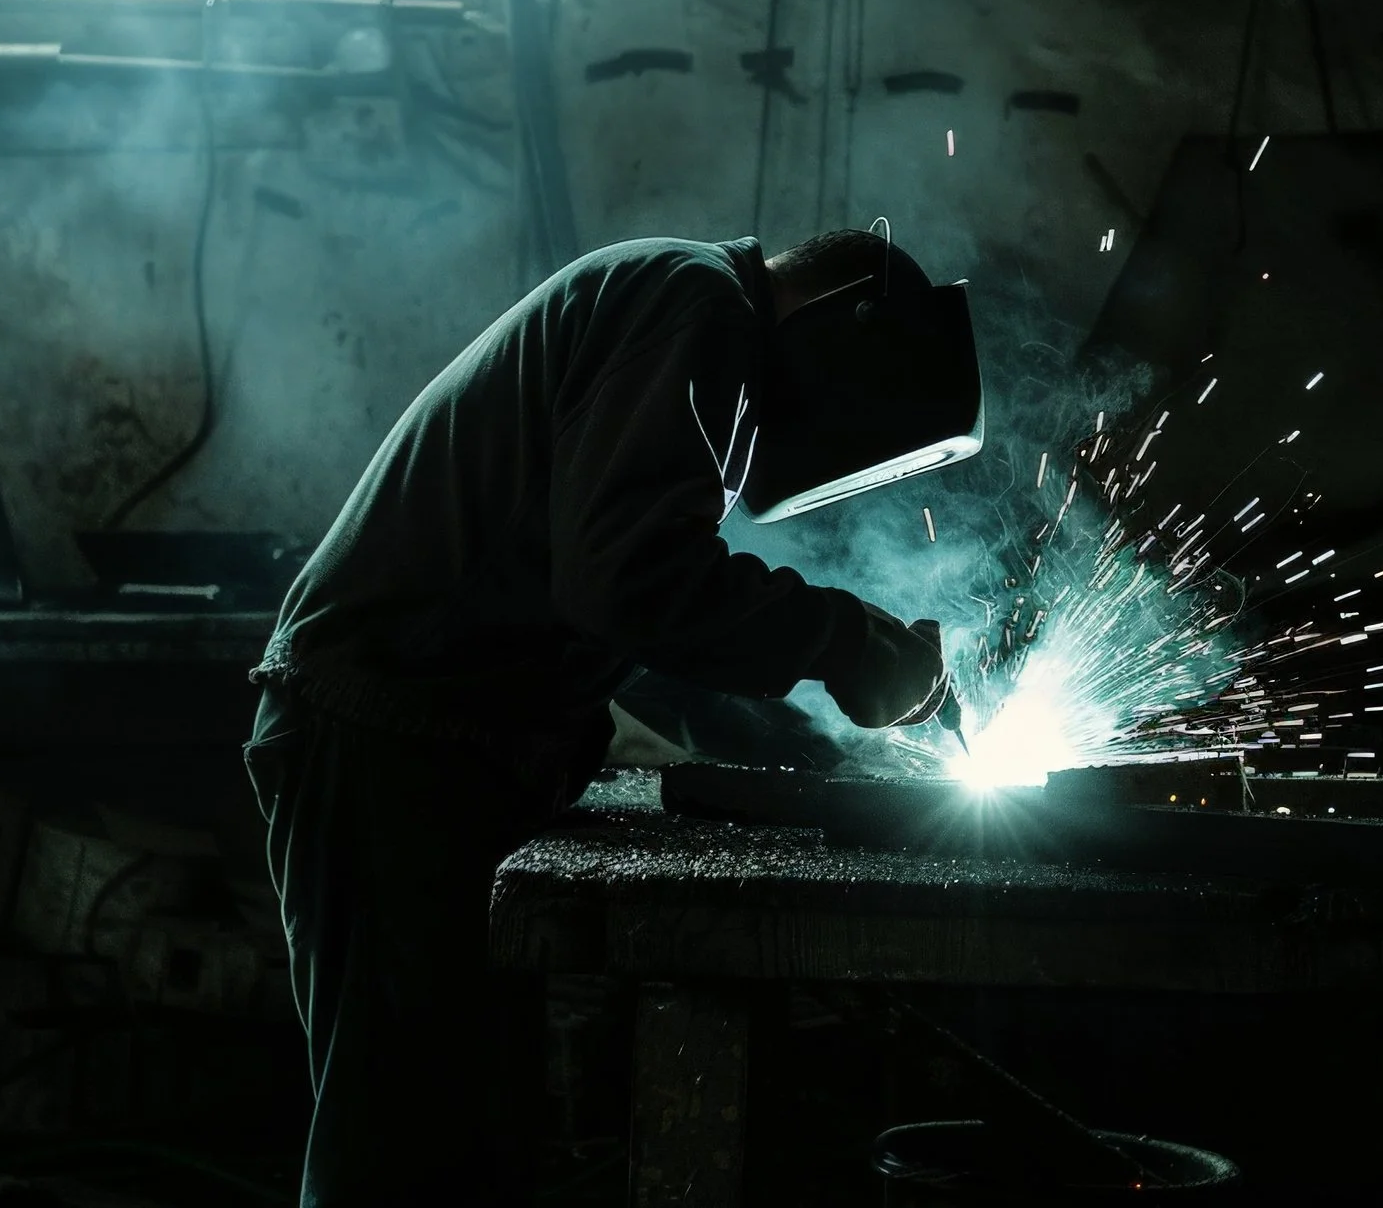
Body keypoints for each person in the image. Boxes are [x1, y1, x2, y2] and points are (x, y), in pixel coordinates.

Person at [242, 229, 979, 1206]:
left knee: (461, 1143)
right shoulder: (698, 304)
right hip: (384, 739)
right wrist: (845, 640)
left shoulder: (683, 314)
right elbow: (628, 580)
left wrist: (822, 704)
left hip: (427, 747)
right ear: (849, 322)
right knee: (401, 1147)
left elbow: (631, 606)